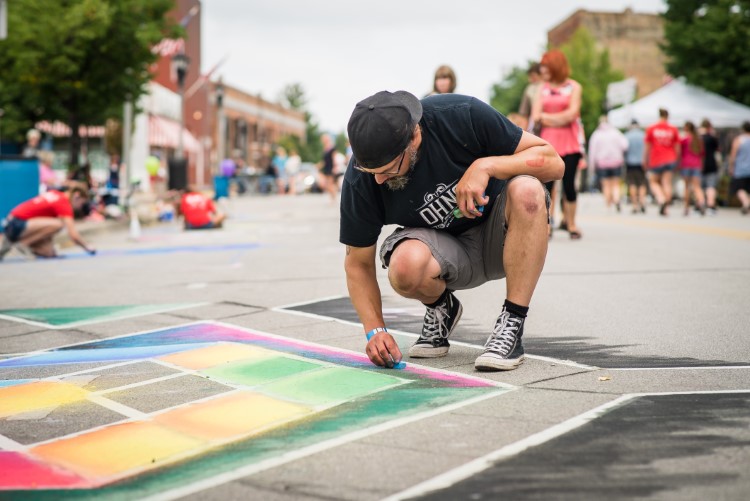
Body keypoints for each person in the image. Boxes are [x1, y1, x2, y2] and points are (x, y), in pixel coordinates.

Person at [341, 90, 563, 372]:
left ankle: (512, 323)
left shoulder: (460, 114)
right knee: (404, 265)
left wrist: (487, 165)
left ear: (415, 138)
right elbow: (357, 263)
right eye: (371, 171)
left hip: (504, 238)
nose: (380, 179)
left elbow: (554, 163)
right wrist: (375, 331)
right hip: (448, 254)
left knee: (528, 190)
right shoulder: (363, 178)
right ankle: (442, 307)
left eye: (389, 169)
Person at [532, 50, 584, 239]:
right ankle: (547, 223)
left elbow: (573, 114)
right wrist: (557, 118)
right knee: (547, 186)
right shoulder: (542, 88)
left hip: (570, 143)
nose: (542, 71)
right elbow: (536, 116)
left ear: (555, 66)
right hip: (547, 144)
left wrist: (547, 117)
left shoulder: (574, 87)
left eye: (545, 67)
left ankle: (571, 223)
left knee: (569, 184)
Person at [0, 187, 96, 260]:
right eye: (81, 204)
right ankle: (22, 245)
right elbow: (73, 235)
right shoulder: (63, 203)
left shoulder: (55, 194)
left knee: (49, 253)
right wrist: (87, 247)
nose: (79, 208)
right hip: (17, 223)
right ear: (76, 196)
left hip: (14, 223)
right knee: (59, 224)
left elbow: (45, 229)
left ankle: (10, 244)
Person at [644, 108, 681, 216]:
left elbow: (647, 146)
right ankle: (666, 208)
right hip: (670, 158)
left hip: (656, 159)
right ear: (668, 116)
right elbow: (677, 147)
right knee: (667, 183)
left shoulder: (651, 128)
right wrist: (677, 159)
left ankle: (661, 199)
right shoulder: (673, 129)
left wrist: (645, 159)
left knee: (653, 182)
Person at [588, 116, 628, 212]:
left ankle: (608, 206)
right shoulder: (616, 132)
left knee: (606, 185)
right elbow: (625, 145)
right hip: (616, 162)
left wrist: (592, 167)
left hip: (602, 163)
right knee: (615, 184)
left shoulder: (596, 134)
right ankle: (617, 199)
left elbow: (592, 152)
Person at [678, 121, 706, 216]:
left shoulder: (684, 139)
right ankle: (701, 202)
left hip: (686, 164)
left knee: (687, 187)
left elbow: (679, 152)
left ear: (686, 128)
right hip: (697, 165)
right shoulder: (698, 140)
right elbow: (702, 154)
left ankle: (686, 207)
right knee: (697, 186)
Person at [624, 120, 648, 214]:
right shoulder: (643, 135)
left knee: (632, 184)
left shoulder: (627, 136)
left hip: (630, 163)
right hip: (642, 163)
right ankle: (642, 202)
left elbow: (624, 149)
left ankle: (634, 205)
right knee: (642, 183)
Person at [728, 121, 750, 215]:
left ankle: (746, 202)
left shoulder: (739, 140)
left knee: (738, 188)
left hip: (740, 168)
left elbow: (733, 155)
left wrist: (731, 166)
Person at [700, 119, 720, 215]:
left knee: (699, 187)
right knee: (710, 186)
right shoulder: (712, 138)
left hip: (700, 164)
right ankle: (710, 205)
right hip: (711, 164)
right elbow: (718, 149)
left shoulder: (698, 138)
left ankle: (700, 204)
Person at [518, 63, 542, 132]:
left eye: (533, 76)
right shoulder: (529, 89)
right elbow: (524, 113)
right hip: (534, 125)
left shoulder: (549, 87)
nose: (530, 79)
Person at [318, 134, 339, 202]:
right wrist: (319, 165)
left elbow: (334, 158)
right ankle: (333, 197)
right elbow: (324, 161)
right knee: (326, 185)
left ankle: (334, 198)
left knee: (330, 184)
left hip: (331, 168)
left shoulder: (332, 148)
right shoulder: (325, 148)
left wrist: (335, 167)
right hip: (326, 168)